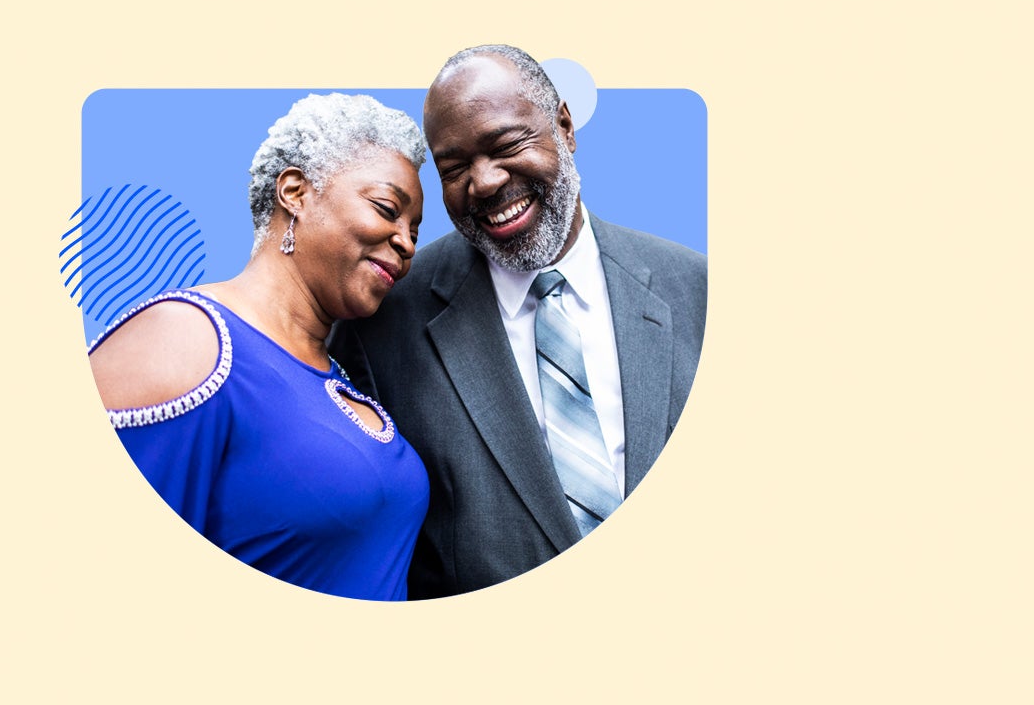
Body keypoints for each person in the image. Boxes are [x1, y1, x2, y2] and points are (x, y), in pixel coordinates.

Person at [330, 45, 708, 598]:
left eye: (506, 144)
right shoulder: (385, 320)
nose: (482, 183)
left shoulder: (696, 289)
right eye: (454, 168)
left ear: (564, 126)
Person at [89, 93, 429, 601]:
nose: (407, 243)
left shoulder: (338, 372)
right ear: (295, 192)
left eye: (415, 229)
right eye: (387, 209)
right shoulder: (186, 337)